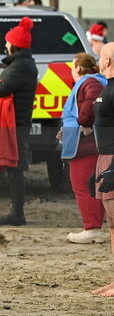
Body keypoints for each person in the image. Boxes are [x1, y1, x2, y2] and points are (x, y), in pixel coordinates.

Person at [0, 17, 39, 226]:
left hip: (15, 123)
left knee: (15, 166)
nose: (5, 45)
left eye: (7, 42)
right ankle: (17, 212)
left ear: (14, 45)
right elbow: (5, 82)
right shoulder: (22, 64)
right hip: (17, 122)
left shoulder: (21, 66)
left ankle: (18, 214)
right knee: (14, 166)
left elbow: (1, 88)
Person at [60, 53, 107, 243]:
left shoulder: (90, 82)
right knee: (96, 187)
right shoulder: (95, 81)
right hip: (91, 142)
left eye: (72, 66)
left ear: (78, 68)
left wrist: (84, 122)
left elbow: (93, 102)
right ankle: (96, 227)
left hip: (86, 145)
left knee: (82, 185)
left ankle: (92, 229)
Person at [90, 42, 114, 296]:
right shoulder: (107, 88)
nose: (98, 61)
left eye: (100, 57)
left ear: (107, 61)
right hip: (104, 156)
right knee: (111, 223)